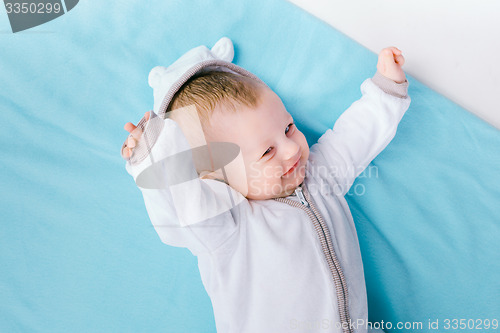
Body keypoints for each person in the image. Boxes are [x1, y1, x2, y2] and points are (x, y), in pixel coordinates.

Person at [121, 37, 410, 333]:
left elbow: (353, 137)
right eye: (267, 151)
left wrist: (385, 90)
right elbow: (181, 208)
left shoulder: (318, 176)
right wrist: (151, 155)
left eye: (288, 128)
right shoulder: (227, 229)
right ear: (214, 176)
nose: (291, 149)